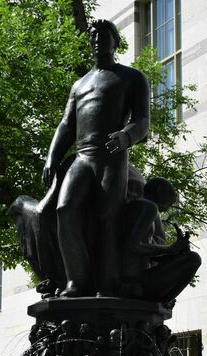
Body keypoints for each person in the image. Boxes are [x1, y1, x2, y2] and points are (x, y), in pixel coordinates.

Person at [42, 19, 150, 297]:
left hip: (112, 156)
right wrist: (52, 156)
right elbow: (67, 124)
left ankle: (108, 283)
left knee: (109, 217)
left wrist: (126, 137)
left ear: (115, 42)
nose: (98, 42)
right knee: (64, 209)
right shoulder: (79, 85)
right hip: (83, 157)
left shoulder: (132, 77)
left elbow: (142, 121)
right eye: (93, 38)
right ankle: (76, 282)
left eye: (104, 37)